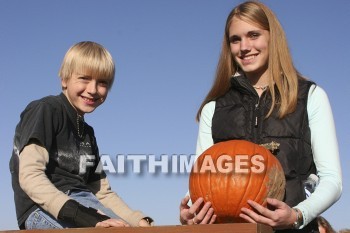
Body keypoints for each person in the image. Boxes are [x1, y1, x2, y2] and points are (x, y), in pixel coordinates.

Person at [179, 1, 342, 232]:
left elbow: (332, 180)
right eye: (235, 39)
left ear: (272, 37)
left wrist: (298, 214)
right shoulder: (213, 108)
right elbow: (202, 178)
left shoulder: (310, 97)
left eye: (253, 35)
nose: (244, 46)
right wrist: (190, 210)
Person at [9, 41, 153, 229]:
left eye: (102, 82)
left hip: (86, 203)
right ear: (64, 79)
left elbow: (102, 193)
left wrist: (139, 221)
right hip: (43, 208)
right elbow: (30, 176)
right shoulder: (45, 110)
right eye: (84, 78)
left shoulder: (88, 133)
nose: (93, 89)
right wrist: (86, 218)